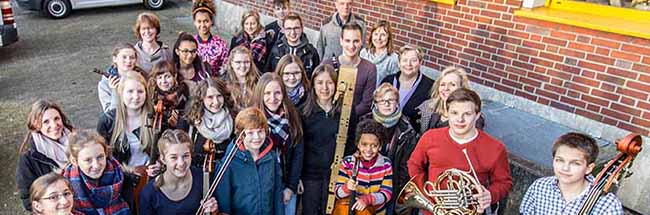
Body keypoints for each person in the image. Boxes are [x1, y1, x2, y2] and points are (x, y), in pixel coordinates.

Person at [408, 88, 512, 215]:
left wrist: (490, 194)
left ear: (477, 115)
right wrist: (424, 192)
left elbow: (504, 182)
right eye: (454, 113)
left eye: (467, 114)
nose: (460, 119)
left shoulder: (495, 148)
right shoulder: (430, 137)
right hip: (432, 210)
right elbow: (414, 164)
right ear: (447, 113)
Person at [520, 132, 624, 214]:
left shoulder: (608, 205)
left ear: (588, 168)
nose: (565, 168)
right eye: (560, 160)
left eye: (575, 163)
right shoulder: (539, 187)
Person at [97, 71, 157, 209]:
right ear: (121, 93)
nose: (135, 97)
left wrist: (159, 165)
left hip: (149, 177)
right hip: (121, 180)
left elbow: (163, 151)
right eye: (130, 91)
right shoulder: (108, 120)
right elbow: (102, 156)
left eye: (140, 91)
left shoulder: (154, 118)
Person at [360, 83, 418, 215]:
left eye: (391, 100)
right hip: (364, 181)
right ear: (375, 103)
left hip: (391, 184)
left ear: (397, 103)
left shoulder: (407, 130)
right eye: (382, 100)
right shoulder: (364, 122)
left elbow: (406, 166)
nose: (386, 104)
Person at [215, 107, 284, 215]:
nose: (256, 137)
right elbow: (224, 204)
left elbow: (277, 193)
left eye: (260, 131)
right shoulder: (228, 163)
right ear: (240, 135)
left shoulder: (271, 158)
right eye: (250, 133)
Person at [252, 73, 304, 215]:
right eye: (267, 93)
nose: (273, 98)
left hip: (285, 183)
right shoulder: (253, 118)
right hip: (262, 186)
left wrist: (291, 187)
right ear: (260, 94)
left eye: (277, 93)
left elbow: (298, 154)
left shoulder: (292, 116)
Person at [138, 129, 219, 215]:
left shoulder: (203, 179)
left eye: (186, 156)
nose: (181, 163)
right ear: (163, 159)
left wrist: (214, 211)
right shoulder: (149, 193)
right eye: (174, 157)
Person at [17, 99, 75, 211]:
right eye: (46, 122)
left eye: (56, 118)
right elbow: (28, 199)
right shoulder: (28, 158)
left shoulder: (77, 142)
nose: (54, 125)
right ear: (36, 125)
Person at [63, 129, 131, 215]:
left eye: (100, 157)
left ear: (106, 154)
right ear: (74, 161)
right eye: (88, 160)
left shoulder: (123, 179)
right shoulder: (65, 190)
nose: (96, 165)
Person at [334, 119, 393, 215]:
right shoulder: (348, 162)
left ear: (380, 146)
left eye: (374, 145)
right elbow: (338, 193)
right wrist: (347, 187)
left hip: (376, 211)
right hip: (348, 209)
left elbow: (387, 193)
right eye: (364, 144)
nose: (368, 150)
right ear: (358, 144)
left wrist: (368, 199)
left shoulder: (386, 164)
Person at [177, 77, 236, 169]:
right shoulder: (188, 121)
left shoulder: (233, 119)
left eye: (219, 96)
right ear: (201, 98)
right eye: (210, 97)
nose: (216, 102)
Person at [322, 22, 377, 118]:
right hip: (328, 117)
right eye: (347, 41)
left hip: (354, 120)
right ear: (341, 41)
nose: (351, 46)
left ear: (361, 42)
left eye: (356, 41)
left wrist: (344, 116)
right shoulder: (327, 65)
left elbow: (366, 104)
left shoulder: (370, 69)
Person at [380, 45, 435, 132]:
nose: (408, 64)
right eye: (404, 60)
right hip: (383, 131)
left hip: (411, 137)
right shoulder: (388, 81)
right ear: (399, 63)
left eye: (413, 60)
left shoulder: (430, 87)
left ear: (420, 62)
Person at [416, 66, 484, 134]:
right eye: (443, 84)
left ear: (462, 88)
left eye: (452, 85)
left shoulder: (472, 116)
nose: (446, 88)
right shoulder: (428, 106)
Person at [265, 12, 320, 77]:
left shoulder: (311, 52)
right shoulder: (276, 49)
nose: (293, 32)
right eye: (289, 28)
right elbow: (267, 73)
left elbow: (316, 77)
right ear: (283, 29)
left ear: (302, 28)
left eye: (296, 28)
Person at [97, 43, 146, 113]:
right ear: (115, 59)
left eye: (132, 57)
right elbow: (110, 113)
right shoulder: (104, 84)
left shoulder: (142, 77)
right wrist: (115, 91)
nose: (128, 61)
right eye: (124, 57)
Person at [146, 61, 190, 130]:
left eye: (167, 77)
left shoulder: (183, 92)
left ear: (174, 76)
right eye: (159, 78)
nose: (163, 81)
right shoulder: (153, 96)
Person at [192, 0, 229, 77]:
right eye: (199, 21)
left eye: (206, 21)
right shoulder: (190, 43)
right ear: (194, 22)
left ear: (211, 21)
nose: (203, 25)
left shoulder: (221, 45)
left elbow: (225, 70)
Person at [360, 20, 399, 86]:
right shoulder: (364, 53)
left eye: (383, 35)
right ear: (371, 35)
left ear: (388, 37)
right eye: (376, 34)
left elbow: (393, 85)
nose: (378, 38)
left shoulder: (393, 59)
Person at [223, 45, 260, 109]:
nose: (243, 66)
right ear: (231, 63)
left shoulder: (258, 81)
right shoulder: (223, 83)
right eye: (238, 62)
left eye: (246, 62)